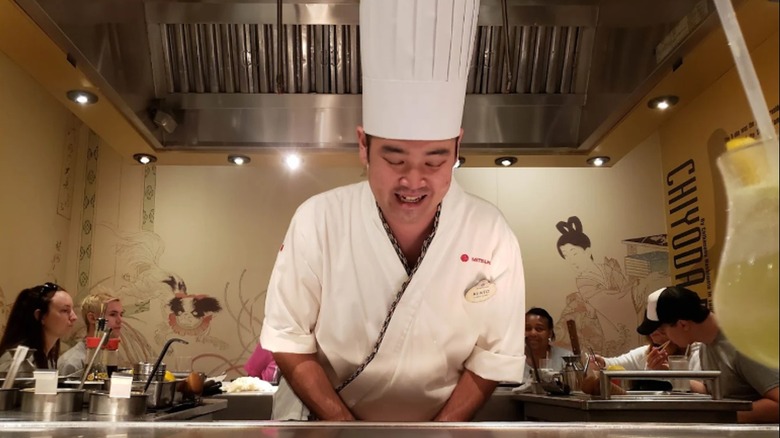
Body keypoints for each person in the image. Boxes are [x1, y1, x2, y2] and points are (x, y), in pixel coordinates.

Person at [260, 0, 526, 422]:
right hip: (325, 422)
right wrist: (344, 428)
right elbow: (288, 337)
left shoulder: (490, 231)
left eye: (435, 161)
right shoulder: (318, 219)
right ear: (363, 145)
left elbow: (494, 355)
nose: (413, 181)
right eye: (395, 159)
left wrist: (439, 432)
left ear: (458, 146)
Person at [647, 285, 779, 423]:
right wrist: (670, 373)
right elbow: (714, 390)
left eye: (664, 331)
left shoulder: (741, 342)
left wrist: (721, 417)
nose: (665, 338)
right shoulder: (705, 345)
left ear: (683, 325)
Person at [0, 283, 78, 372]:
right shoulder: (18, 362)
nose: (74, 317)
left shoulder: (47, 358)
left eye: (72, 310)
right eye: (65, 310)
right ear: (40, 316)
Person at [58, 290, 123, 377]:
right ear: (92, 318)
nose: (120, 320)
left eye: (121, 314)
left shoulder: (110, 359)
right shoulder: (73, 363)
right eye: (113, 314)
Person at [524, 308, 573, 381]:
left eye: (539, 329)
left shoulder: (566, 359)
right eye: (528, 328)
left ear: (550, 333)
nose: (533, 333)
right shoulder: (513, 358)